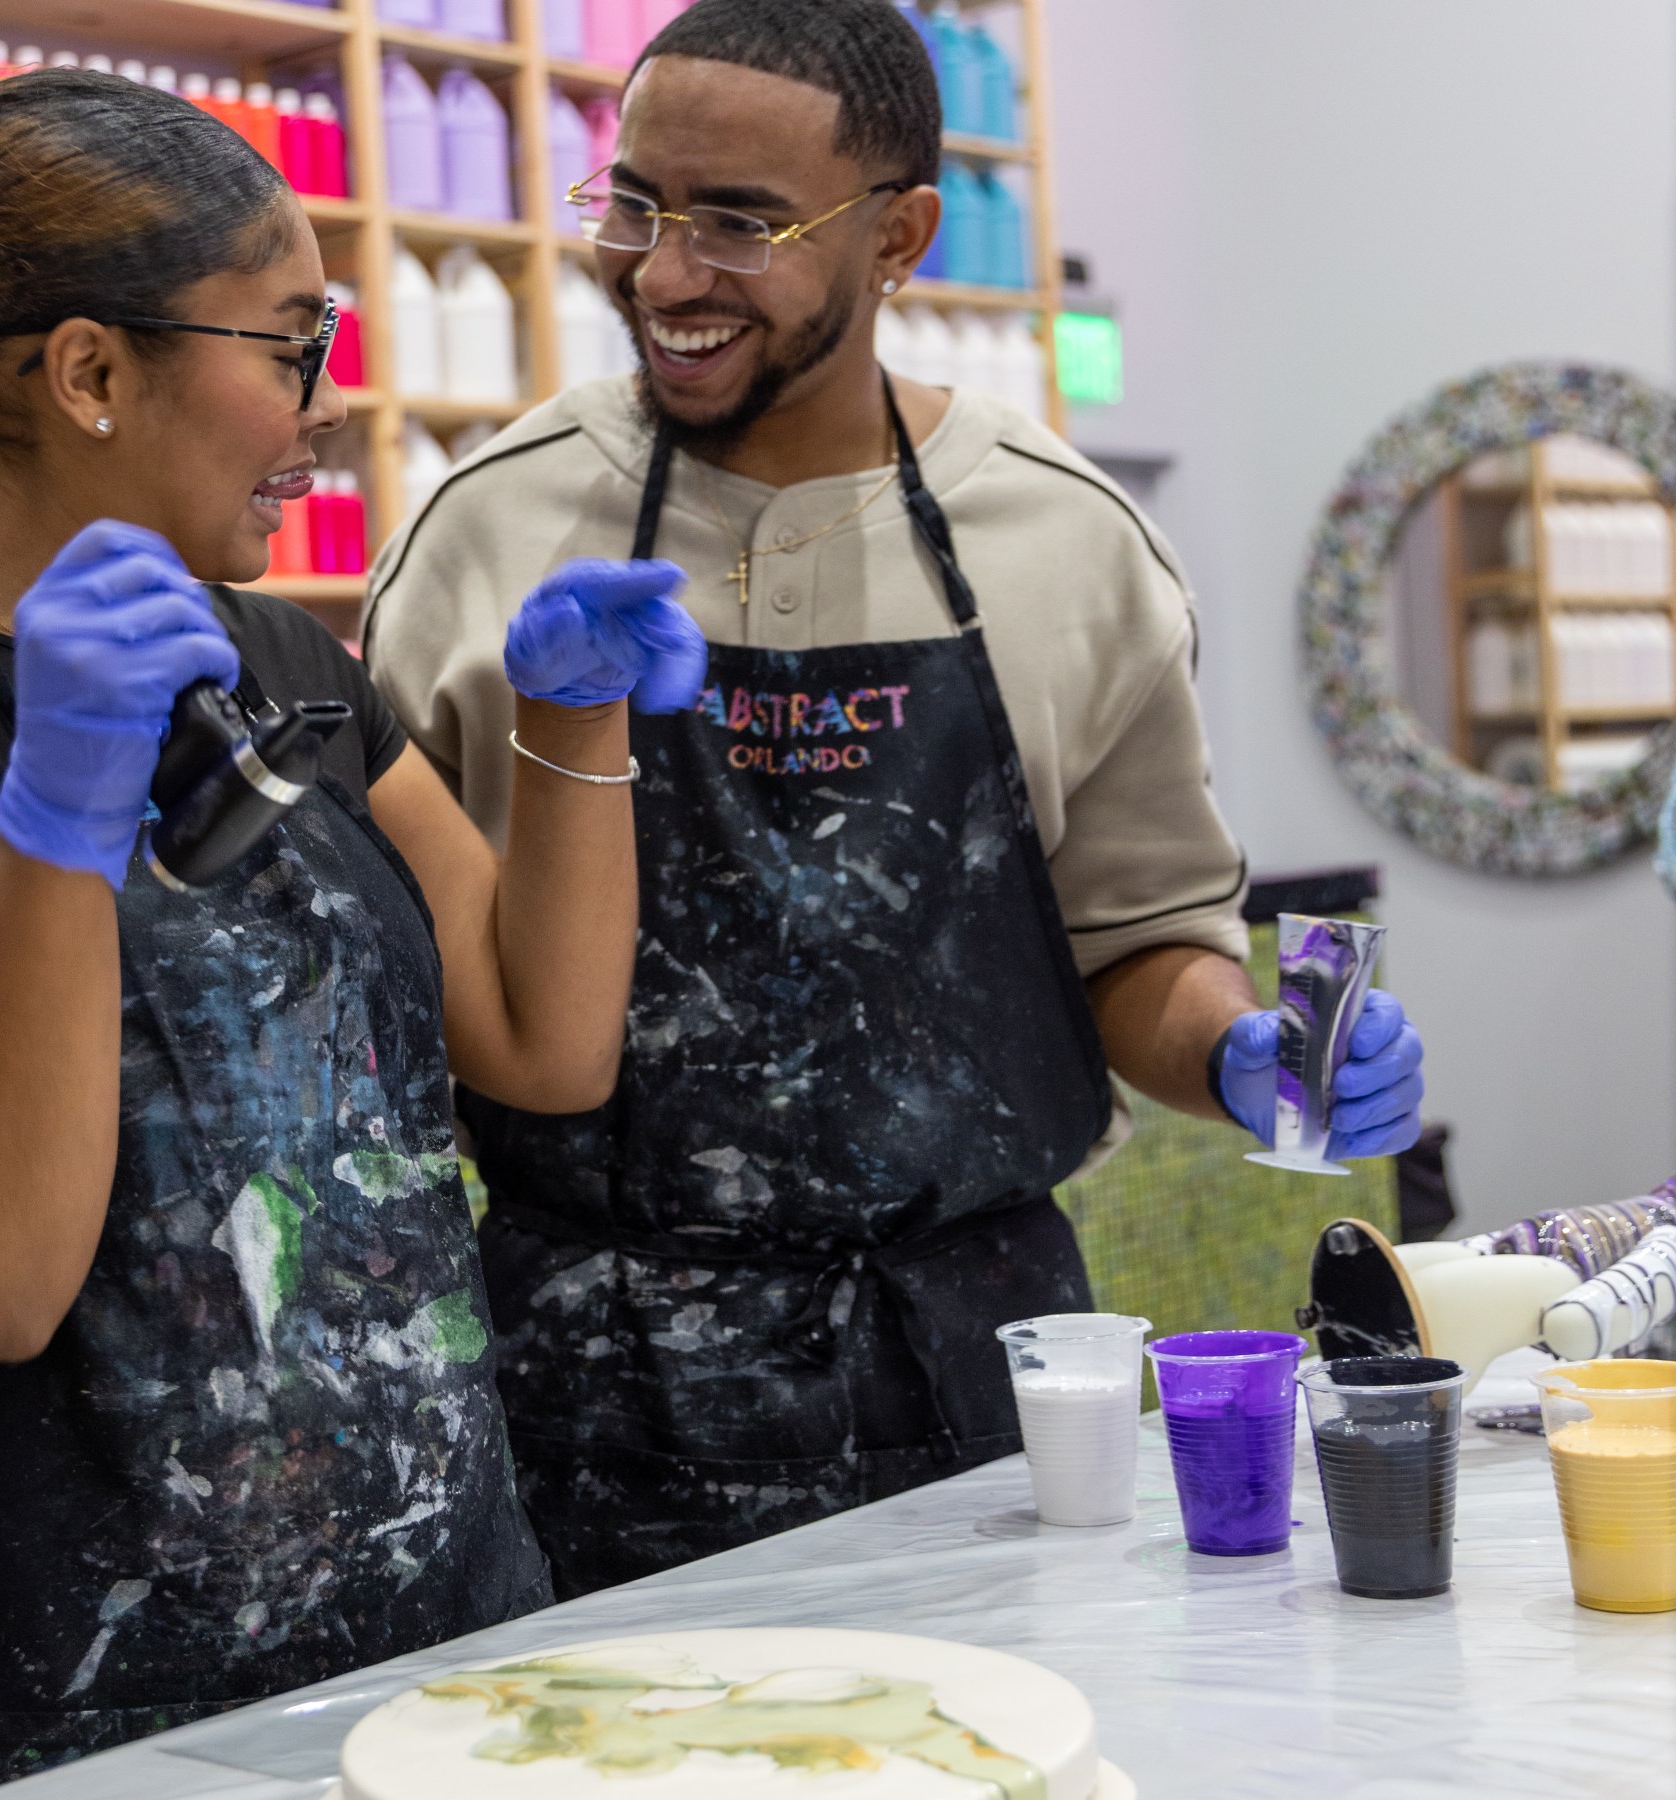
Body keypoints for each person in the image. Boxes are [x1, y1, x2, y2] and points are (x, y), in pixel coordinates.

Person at [0, 51, 703, 1798]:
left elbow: (543, 1038)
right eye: (288, 342)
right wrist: (57, 820)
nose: (321, 403)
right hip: (60, 1711)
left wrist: (574, 725)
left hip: (432, 1656)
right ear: (88, 372)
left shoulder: (287, 666)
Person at [364, 0, 1429, 1597]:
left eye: (738, 223)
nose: (662, 274)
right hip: (583, 1383)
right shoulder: (493, 528)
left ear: (901, 237)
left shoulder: (1062, 544)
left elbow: (1135, 945)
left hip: (979, 1372)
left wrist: (1237, 1049)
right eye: (638, 204)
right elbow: (389, 969)